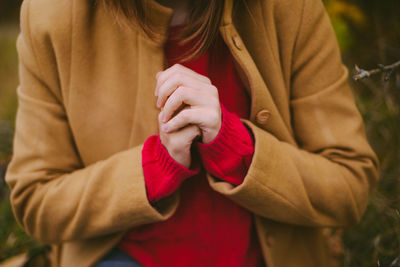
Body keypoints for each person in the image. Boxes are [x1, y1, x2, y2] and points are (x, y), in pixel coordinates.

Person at [5, 0, 379, 266]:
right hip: (123, 258)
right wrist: (155, 168)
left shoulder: (289, 8)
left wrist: (236, 147)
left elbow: (349, 184)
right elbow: (37, 201)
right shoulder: (51, 15)